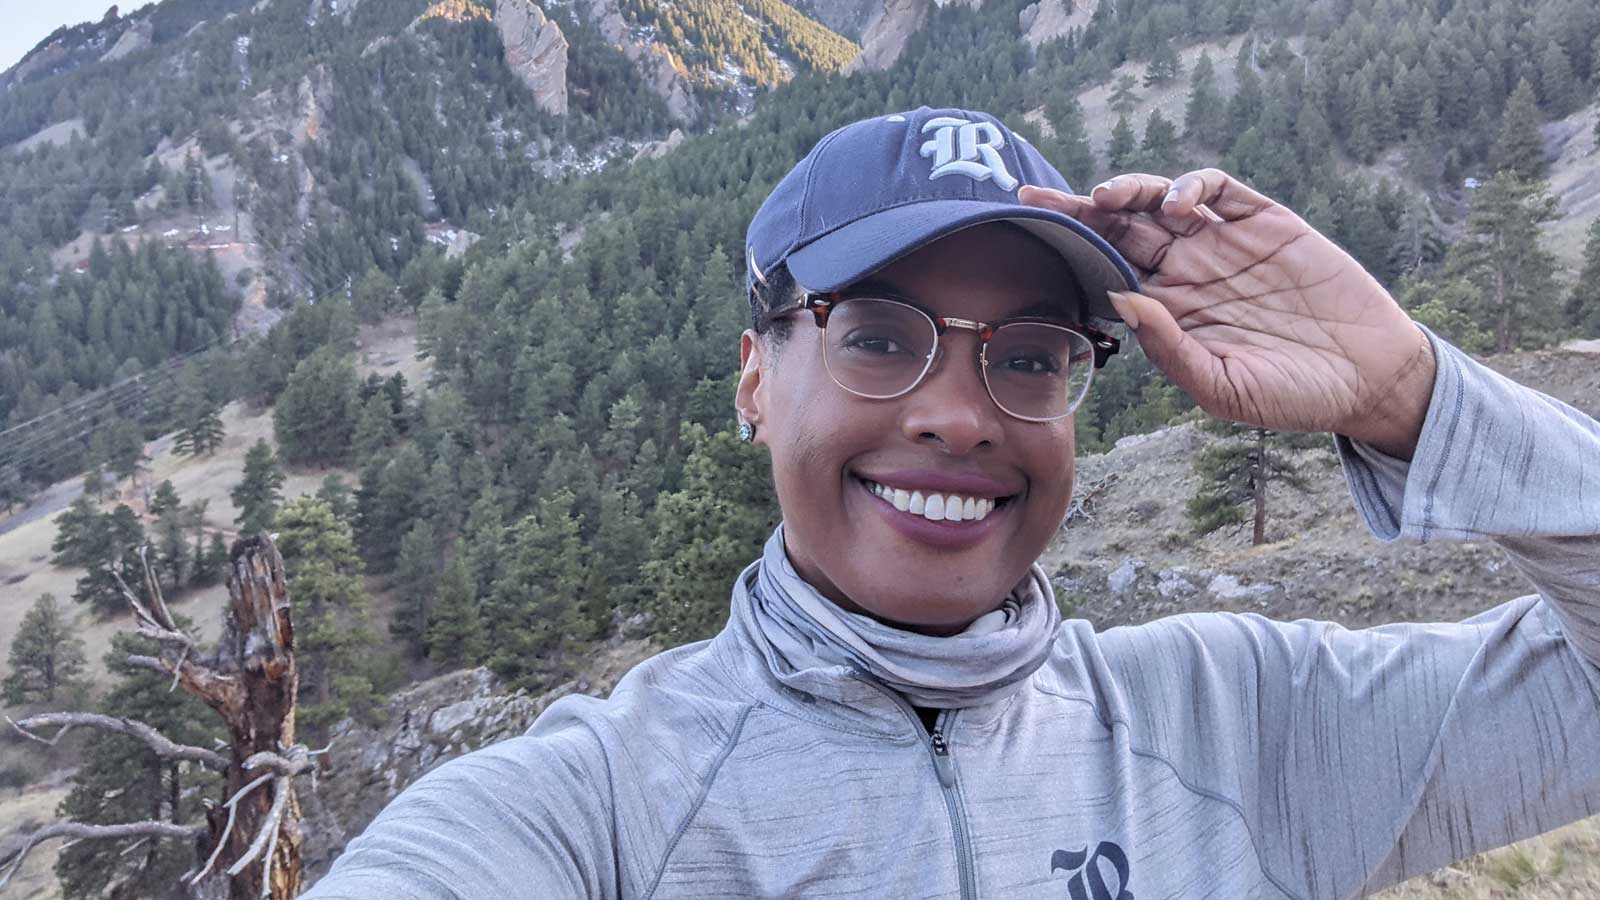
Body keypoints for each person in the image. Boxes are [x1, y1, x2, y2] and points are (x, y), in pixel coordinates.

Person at [301, 107, 1600, 899]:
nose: (962, 412)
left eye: (1029, 352)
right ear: (757, 377)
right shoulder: (596, 813)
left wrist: (1415, 395)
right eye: (878, 334)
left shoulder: (1235, 727)